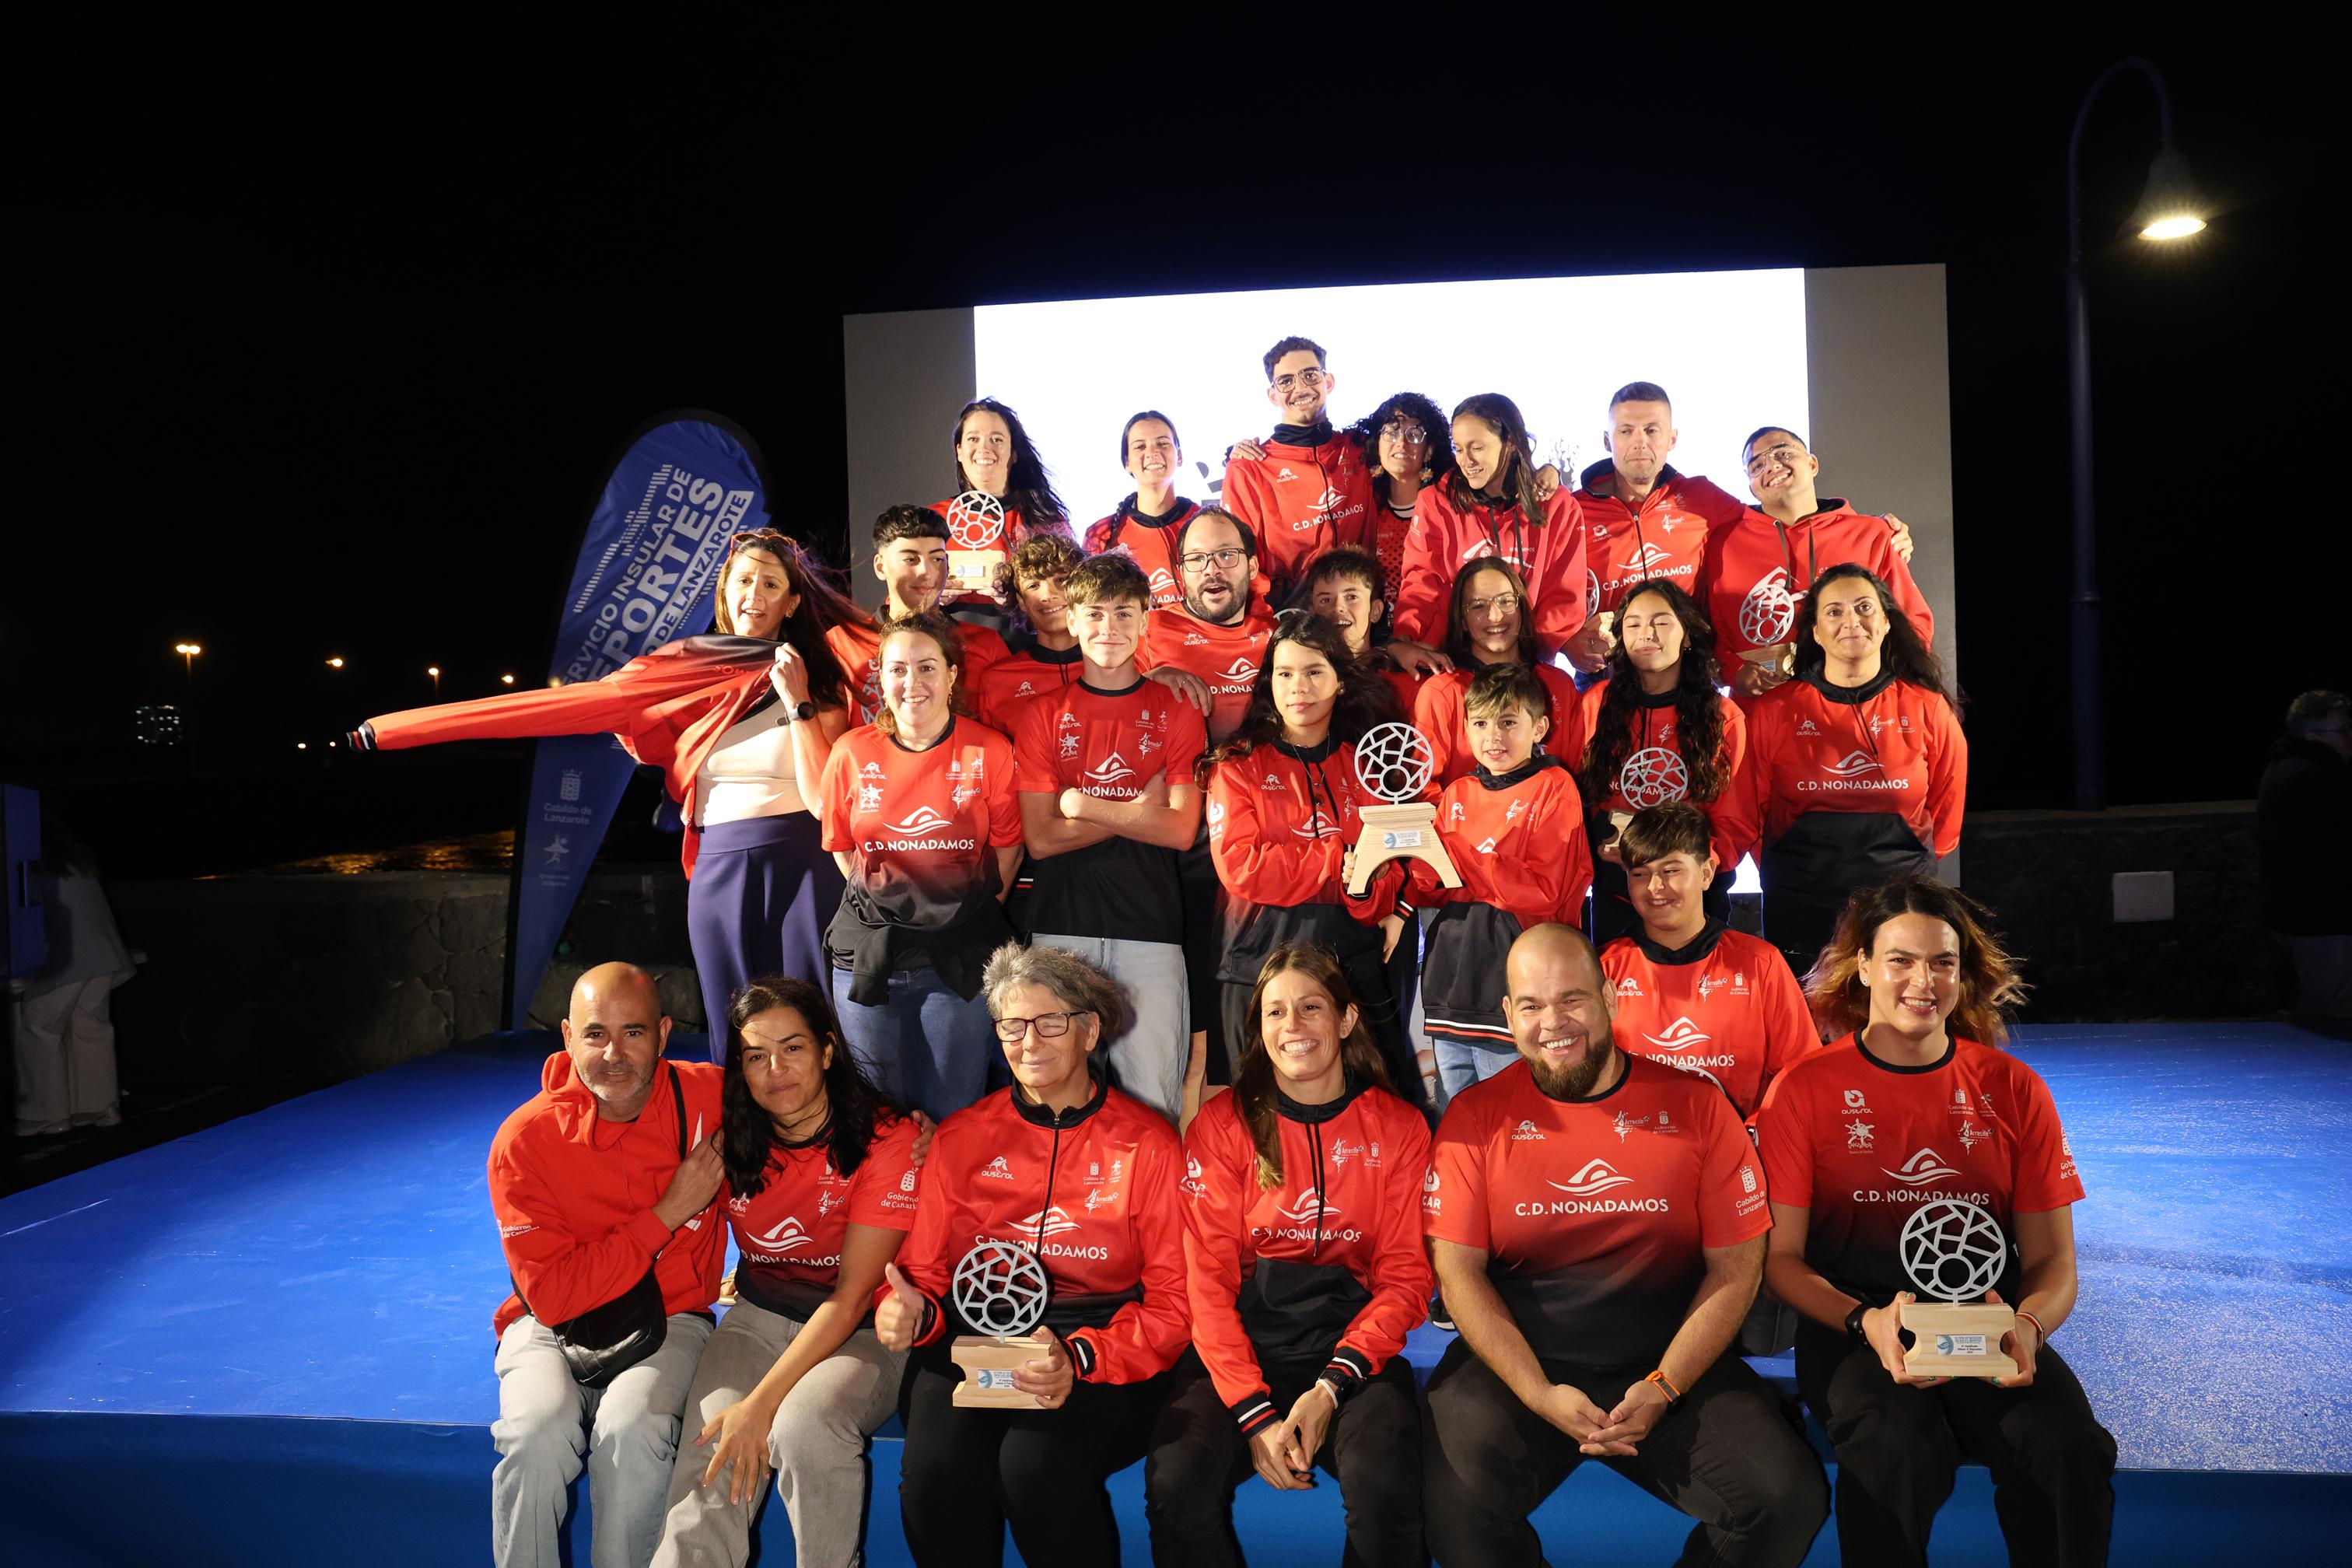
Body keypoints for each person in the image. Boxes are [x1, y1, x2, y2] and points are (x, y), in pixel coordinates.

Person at [355, 530, 863, 1058]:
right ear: (724, 590)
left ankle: (829, 1136)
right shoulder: (681, 671)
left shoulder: (822, 678)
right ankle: (739, 1136)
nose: (754, 593)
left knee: (811, 1015)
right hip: (721, 864)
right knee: (733, 1016)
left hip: (804, 862)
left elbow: (827, 798)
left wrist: (797, 700)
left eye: (771, 583)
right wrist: (396, 731)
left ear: (793, 601)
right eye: (744, 579)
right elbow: (559, 708)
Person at [1420, 923, 1826, 1566]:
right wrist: (1534, 1391)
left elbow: (1738, 1267)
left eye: (1572, 999)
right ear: (1508, 1015)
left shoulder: (1697, 1105)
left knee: (1787, 1500)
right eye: (1531, 1005)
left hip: (1667, 1363)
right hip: (1524, 1368)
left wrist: (1666, 1385)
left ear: (1610, 999)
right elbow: (1458, 1275)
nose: (1552, 1022)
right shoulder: (1474, 1117)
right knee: (1449, 1512)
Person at [1754, 877, 2115, 1567]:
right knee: (1892, 1445)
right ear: (1861, 966)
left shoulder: (2014, 1089)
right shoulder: (1803, 1089)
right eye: (1901, 960)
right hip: (1857, 1332)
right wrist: (1867, 1322)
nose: (1923, 981)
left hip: (1990, 1331)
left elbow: (2053, 1263)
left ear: (1963, 974)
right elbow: (1781, 1262)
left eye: (1943, 963)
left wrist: (2027, 1325)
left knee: (2067, 1449)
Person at [877, 943, 1188, 1568]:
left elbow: (1175, 1304)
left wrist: (1081, 1355)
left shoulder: (1147, 1144)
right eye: (1012, 1025)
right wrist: (908, 1312)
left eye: (1050, 1022)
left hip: (1096, 1341)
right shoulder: (963, 1136)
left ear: (1089, 1029)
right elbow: (925, 1275)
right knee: (937, 1473)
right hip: (973, 1333)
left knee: (1035, 1468)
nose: (1029, 1042)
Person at [1145, 945, 1431, 1566]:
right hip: (1239, 1349)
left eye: (1310, 1008)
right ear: (1259, 1029)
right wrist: (1255, 1416)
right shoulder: (1223, 1126)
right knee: (1175, 1484)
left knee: (1388, 1491)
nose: (1292, 1027)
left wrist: (1330, 1389)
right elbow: (1206, 1284)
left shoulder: (1401, 1127)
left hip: (1352, 1353)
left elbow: (1406, 1279)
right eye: (1275, 1013)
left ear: (1346, 1021)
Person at [652, 978, 921, 1568]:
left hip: (866, 1330)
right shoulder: (730, 1139)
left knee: (801, 1429)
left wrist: (760, 1405)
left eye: (793, 1048)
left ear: (828, 1051)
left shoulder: (888, 1141)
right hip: (759, 1316)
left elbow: (851, 1299)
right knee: (712, 1447)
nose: (776, 1069)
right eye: (755, 1055)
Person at [489, 963, 727, 1568]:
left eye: (634, 1033)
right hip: (550, 1325)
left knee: (632, 1430)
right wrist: (668, 1213)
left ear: (666, 1033)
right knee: (535, 1434)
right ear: (567, 1037)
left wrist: (910, 1129)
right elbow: (556, 1298)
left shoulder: (712, 1098)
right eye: (595, 1035)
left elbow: (811, 1102)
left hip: (670, 1316)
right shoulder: (523, 1140)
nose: (613, 1053)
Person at [1014, 552, 1209, 1124]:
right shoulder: (1044, 715)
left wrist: (1084, 803)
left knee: (1153, 1109)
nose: (1109, 630)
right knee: (1055, 1104)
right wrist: (1134, 807)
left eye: (1124, 614)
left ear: (1146, 621)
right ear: (1071, 620)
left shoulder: (1174, 708)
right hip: (1058, 931)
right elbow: (1042, 839)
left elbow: (1178, 829)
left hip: (1151, 932)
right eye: (1094, 615)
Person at [1202, 612, 1422, 1108]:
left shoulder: (1369, 765)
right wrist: (1336, 859)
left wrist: (1366, 889)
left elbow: (1383, 882)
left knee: (1379, 1110)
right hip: (1256, 968)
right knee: (1261, 1124)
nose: (1298, 687)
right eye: (1284, 674)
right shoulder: (1237, 764)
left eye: (1314, 672)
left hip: (1352, 968)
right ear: (1268, 684)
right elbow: (1241, 867)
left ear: (1340, 682)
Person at [817, 611, 1024, 1122]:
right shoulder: (849, 753)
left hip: (959, 958)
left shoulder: (989, 751)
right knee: (877, 1121)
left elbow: (1008, 849)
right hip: (868, 957)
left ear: (952, 675)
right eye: (898, 669)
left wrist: (955, 914)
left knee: (955, 1118)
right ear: (881, 678)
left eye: (928, 667)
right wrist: (891, 905)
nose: (913, 683)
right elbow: (843, 847)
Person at [1717, 563, 1967, 983]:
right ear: (1815, 632)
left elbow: (1946, 818)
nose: (1851, 620)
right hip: (1801, 902)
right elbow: (1746, 811)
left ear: (1887, 622)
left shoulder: (1926, 708)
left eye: (1864, 607)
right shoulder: (1774, 711)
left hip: (1900, 906)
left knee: (1899, 1032)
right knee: (1811, 1038)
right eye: (1834, 612)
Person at [1139, 507, 1281, 1095]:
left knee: (1261, 1016)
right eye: (1197, 559)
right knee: (1195, 1031)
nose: (1212, 570)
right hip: (1184, 849)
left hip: (1266, 845)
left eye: (1225, 555)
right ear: (1180, 573)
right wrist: (1155, 682)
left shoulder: (1281, 634)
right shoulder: (1148, 634)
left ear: (1252, 565)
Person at [1413, 664, 1593, 1101]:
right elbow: (1428, 884)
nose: (1493, 736)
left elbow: (1542, 891)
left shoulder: (1555, 787)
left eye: (1509, 722)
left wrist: (1460, 859)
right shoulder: (1457, 793)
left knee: (1516, 1118)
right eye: (1480, 723)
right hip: (1451, 984)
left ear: (1540, 728)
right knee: (1457, 1114)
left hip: (1520, 988)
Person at [1600, 803, 1815, 1119]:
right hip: (1633, 1153)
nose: (1655, 887)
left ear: (1706, 873)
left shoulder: (1760, 964)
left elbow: (1798, 1077)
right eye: (1640, 873)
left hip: (1740, 1152)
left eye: (1671, 870)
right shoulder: (1605, 967)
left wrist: (1748, 1137)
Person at [1573, 578, 1748, 947]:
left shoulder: (1723, 716)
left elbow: (1736, 822)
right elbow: (1579, 801)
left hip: (1693, 898)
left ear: (1687, 635)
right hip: (1616, 892)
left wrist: (1686, 867)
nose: (1646, 633)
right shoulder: (1595, 706)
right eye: (1633, 624)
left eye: (1661, 621)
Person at [1701, 426, 1933, 704]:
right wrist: (1734, 672)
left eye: (1783, 452)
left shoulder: (1872, 534)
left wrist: (1885, 689)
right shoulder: (1722, 545)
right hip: (1761, 715)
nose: (1772, 465)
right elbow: (1712, 633)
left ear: (1812, 464)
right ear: (1750, 483)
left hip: (1858, 709)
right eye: (1757, 464)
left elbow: (1913, 624)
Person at [1562, 380, 1750, 676]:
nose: (1640, 442)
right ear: (1607, 440)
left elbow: (1765, 532)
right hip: (1606, 672)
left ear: (1672, 439)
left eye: (1652, 430)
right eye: (1626, 431)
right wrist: (1564, 642)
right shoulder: (1572, 510)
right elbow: (1538, 587)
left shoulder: (1702, 497)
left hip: (1689, 672)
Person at [1392, 394, 1588, 658]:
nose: (1466, 461)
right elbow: (1423, 584)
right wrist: (1408, 638)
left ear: (1509, 442)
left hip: (1528, 668)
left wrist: (1519, 658)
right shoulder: (1436, 503)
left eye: (1477, 448)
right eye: (1459, 449)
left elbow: (1564, 599)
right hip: (1459, 666)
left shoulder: (1556, 506)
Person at [1217, 336, 1377, 604]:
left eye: (1310, 375)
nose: (1301, 388)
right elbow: (1241, 565)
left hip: (1367, 623)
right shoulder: (1249, 469)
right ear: (1273, 395)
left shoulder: (1361, 449)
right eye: (1286, 381)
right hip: (1295, 629)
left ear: (1329, 382)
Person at [828, 506, 1011, 723]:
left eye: (937, 559)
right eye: (911, 559)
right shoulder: (842, 643)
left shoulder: (986, 645)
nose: (927, 572)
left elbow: (1005, 733)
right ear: (880, 567)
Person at [1412, 557, 1584, 786]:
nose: (1495, 616)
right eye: (1478, 606)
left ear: (1522, 608)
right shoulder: (1441, 693)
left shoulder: (1558, 685)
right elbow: (1423, 788)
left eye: (1506, 601)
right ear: (1462, 620)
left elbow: (1578, 776)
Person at [11, 821, 131, 1136]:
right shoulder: (77, 858)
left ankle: (46, 1115)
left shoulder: (29, 864)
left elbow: (25, 917)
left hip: (66, 959)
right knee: (91, 1028)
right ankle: (99, 1108)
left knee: (40, 1030)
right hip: (105, 954)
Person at [2259, 690, 2352, 1033]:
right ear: (2314, 736)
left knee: (2317, 1010)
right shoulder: (2318, 778)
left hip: (2298, 914)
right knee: (2334, 1018)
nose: (2349, 737)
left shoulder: (2285, 767)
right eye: (2342, 730)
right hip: (2322, 919)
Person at [1084, 410, 1239, 610]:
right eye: (1140, 446)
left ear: (1180, 456)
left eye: (1163, 443)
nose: (1152, 453)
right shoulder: (1102, 535)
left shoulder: (1212, 524)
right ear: (1127, 462)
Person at [933, 397, 1075, 611]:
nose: (984, 449)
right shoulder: (933, 520)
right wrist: (930, 595)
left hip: (1024, 640)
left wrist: (1019, 596)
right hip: (950, 640)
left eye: (997, 440)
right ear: (959, 451)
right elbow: (902, 600)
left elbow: (1073, 595)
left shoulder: (1045, 521)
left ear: (1014, 453)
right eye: (973, 439)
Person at [1348, 390, 1455, 670]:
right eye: (1391, 432)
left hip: (1434, 648)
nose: (1401, 443)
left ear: (1429, 450)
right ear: (1377, 442)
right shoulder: (1365, 505)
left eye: (1415, 435)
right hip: (1372, 649)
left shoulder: (1448, 507)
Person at [971, 534, 1086, 733]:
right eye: (1033, 585)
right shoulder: (997, 680)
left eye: (1061, 580)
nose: (1048, 594)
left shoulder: (1122, 663)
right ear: (1022, 601)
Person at [1304, 544, 1418, 719]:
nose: (1338, 608)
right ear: (1311, 613)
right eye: (1325, 600)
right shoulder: (1301, 684)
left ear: (1375, 611)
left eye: (1351, 597)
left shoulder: (1401, 686)